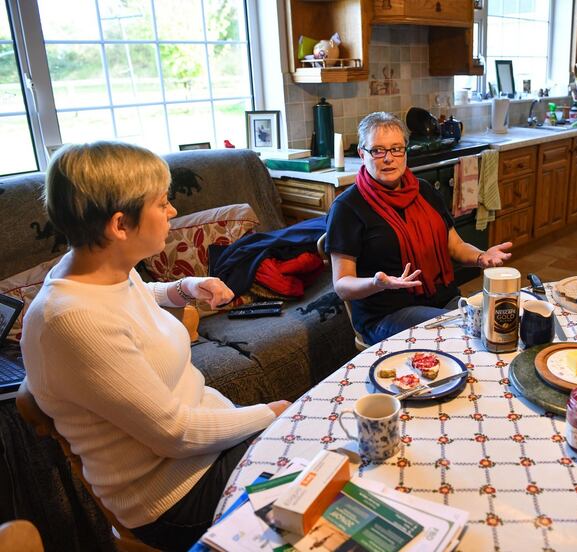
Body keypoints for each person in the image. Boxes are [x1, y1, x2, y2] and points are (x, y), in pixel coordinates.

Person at [20, 142, 290, 551]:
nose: (172, 212)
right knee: (320, 470)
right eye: (162, 203)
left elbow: (132, 295)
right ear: (119, 226)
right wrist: (269, 414)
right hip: (175, 496)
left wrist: (182, 289)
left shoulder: (95, 269)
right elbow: (176, 435)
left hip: (205, 450)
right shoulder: (72, 321)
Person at [325, 112, 513, 345]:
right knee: (463, 337)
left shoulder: (423, 191)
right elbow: (342, 285)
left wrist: (481, 257)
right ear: (362, 154)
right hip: (387, 314)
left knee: (501, 322)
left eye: (396, 149)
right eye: (378, 150)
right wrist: (377, 283)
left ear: (405, 151)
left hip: (442, 301)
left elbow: (454, 246)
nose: (388, 158)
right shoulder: (347, 208)